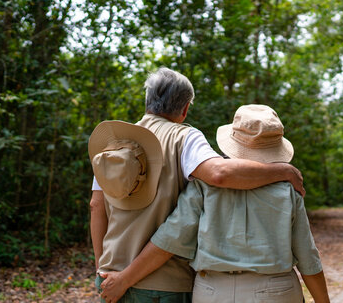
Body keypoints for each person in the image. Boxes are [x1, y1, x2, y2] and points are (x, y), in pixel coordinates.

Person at [90, 68, 305, 302]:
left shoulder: (115, 143)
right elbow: (219, 174)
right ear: (184, 109)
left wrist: (103, 268)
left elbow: (96, 206)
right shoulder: (184, 137)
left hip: (109, 281)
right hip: (166, 286)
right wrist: (284, 170)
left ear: (147, 100)